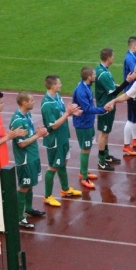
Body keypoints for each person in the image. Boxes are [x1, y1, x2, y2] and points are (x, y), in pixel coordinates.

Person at [41, 75, 83, 207]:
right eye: (59, 83)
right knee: (53, 166)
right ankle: (47, 196)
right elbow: (53, 125)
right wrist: (67, 114)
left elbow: (62, 113)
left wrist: (72, 112)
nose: (61, 85)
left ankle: (65, 189)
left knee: (63, 163)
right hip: (55, 141)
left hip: (63, 137)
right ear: (53, 86)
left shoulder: (57, 97)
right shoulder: (47, 105)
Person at [9, 92, 49, 227]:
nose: (33, 102)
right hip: (25, 159)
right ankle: (19, 217)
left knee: (30, 184)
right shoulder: (18, 120)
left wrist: (39, 132)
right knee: (24, 186)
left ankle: (29, 208)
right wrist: (38, 135)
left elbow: (29, 135)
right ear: (24, 103)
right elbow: (21, 143)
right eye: (31, 100)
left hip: (32, 156)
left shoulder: (27, 115)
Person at [95, 48, 136, 171]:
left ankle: (106, 156)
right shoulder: (103, 74)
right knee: (104, 133)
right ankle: (101, 161)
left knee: (106, 133)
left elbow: (112, 86)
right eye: (112, 56)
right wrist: (126, 82)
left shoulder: (103, 69)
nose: (114, 57)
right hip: (105, 106)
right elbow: (113, 91)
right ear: (108, 58)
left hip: (108, 104)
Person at [72, 67, 110, 187]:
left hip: (87, 122)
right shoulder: (81, 91)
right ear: (89, 77)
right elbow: (87, 108)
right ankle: (84, 177)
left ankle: (83, 171)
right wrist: (103, 109)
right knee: (86, 149)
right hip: (83, 124)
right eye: (93, 74)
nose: (95, 75)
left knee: (86, 148)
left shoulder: (85, 87)